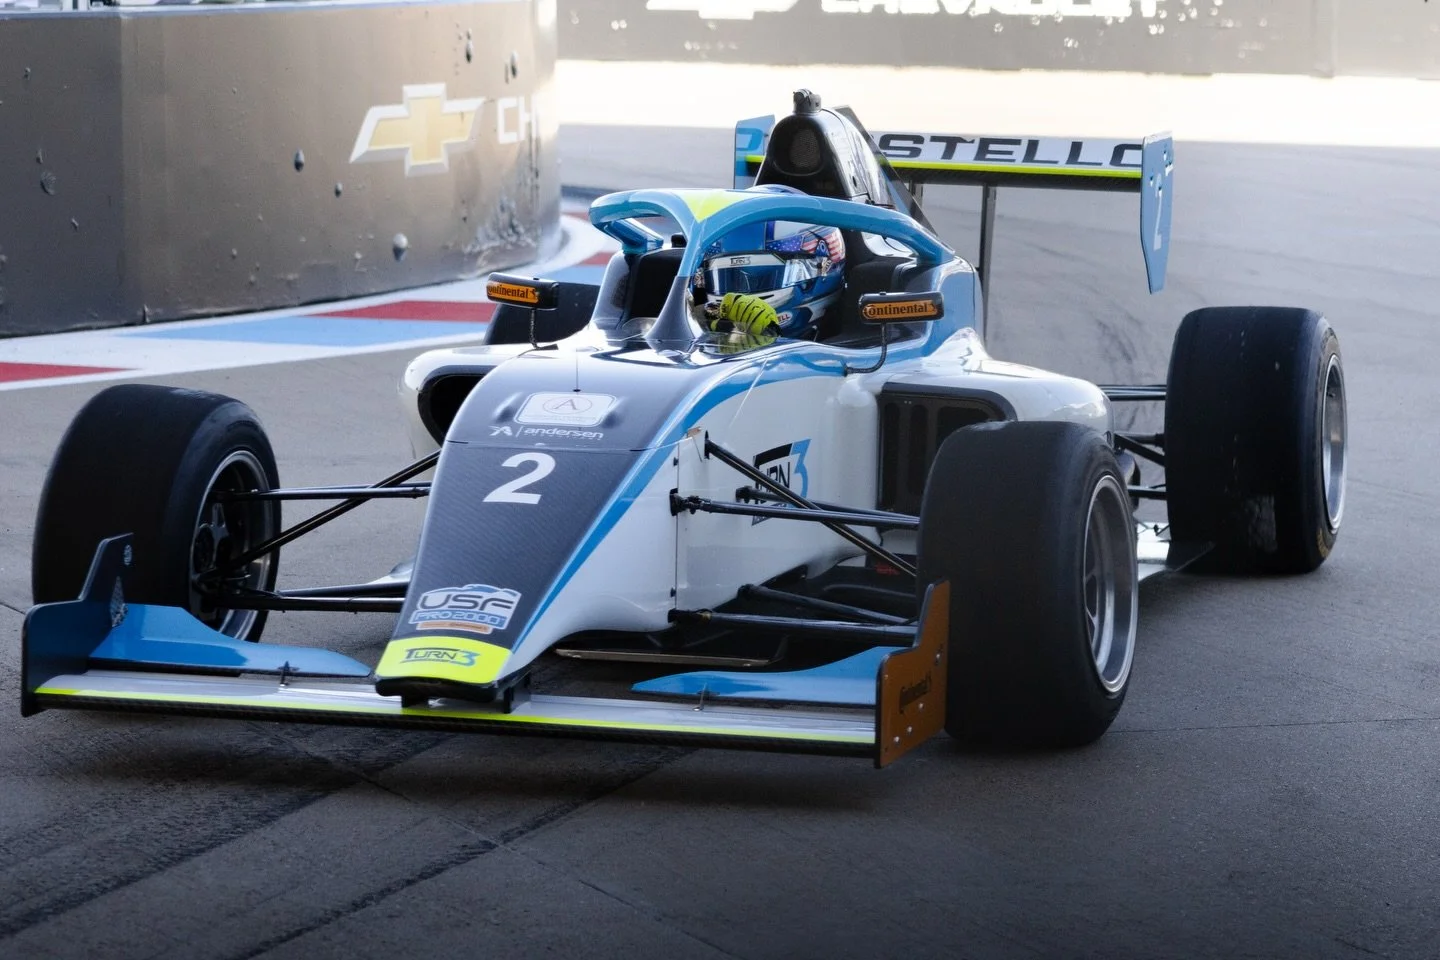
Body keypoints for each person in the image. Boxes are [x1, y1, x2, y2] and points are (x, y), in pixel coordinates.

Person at [694, 217, 846, 349]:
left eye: (766, 278)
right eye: (729, 280)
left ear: (822, 269)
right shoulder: (700, 333)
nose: (743, 299)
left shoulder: (854, 352)